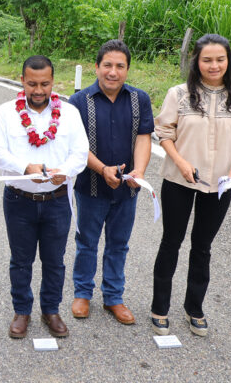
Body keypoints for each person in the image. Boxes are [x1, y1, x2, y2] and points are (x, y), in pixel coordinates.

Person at [151, 34, 231, 337]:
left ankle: (194, 308)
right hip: (178, 180)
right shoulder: (178, 94)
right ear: (196, 61)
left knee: (203, 247)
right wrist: (180, 162)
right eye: (207, 59)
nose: (214, 65)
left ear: (228, 61)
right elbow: (164, 131)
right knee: (171, 242)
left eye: (220, 59)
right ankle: (160, 307)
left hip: (220, 184)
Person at [0, 55, 89, 339]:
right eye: (32, 84)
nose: (38, 90)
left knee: (54, 261)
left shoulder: (69, 113)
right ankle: (22, 311)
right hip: (19, 200)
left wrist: (65, 171)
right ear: (22, 81)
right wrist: (24, 168)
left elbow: (80, 152)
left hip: (57, 200)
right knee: (21, 260)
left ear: (53, 82)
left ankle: (51, 311)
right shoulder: (6, 112)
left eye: (45, 84)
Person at [68, 40, 153, 325]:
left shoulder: (140, 99)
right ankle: (82, 293)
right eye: (107, 65)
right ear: (96, 67)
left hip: (127, 189)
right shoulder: (79, 102)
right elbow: (76, 146)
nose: (113, 72)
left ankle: (114, 297)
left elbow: (143, 137)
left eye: (120, 66)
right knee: (86, 242)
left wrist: (138, 171)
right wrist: (102, 168)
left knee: (119, 244)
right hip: (90, 187)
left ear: (128, 69)